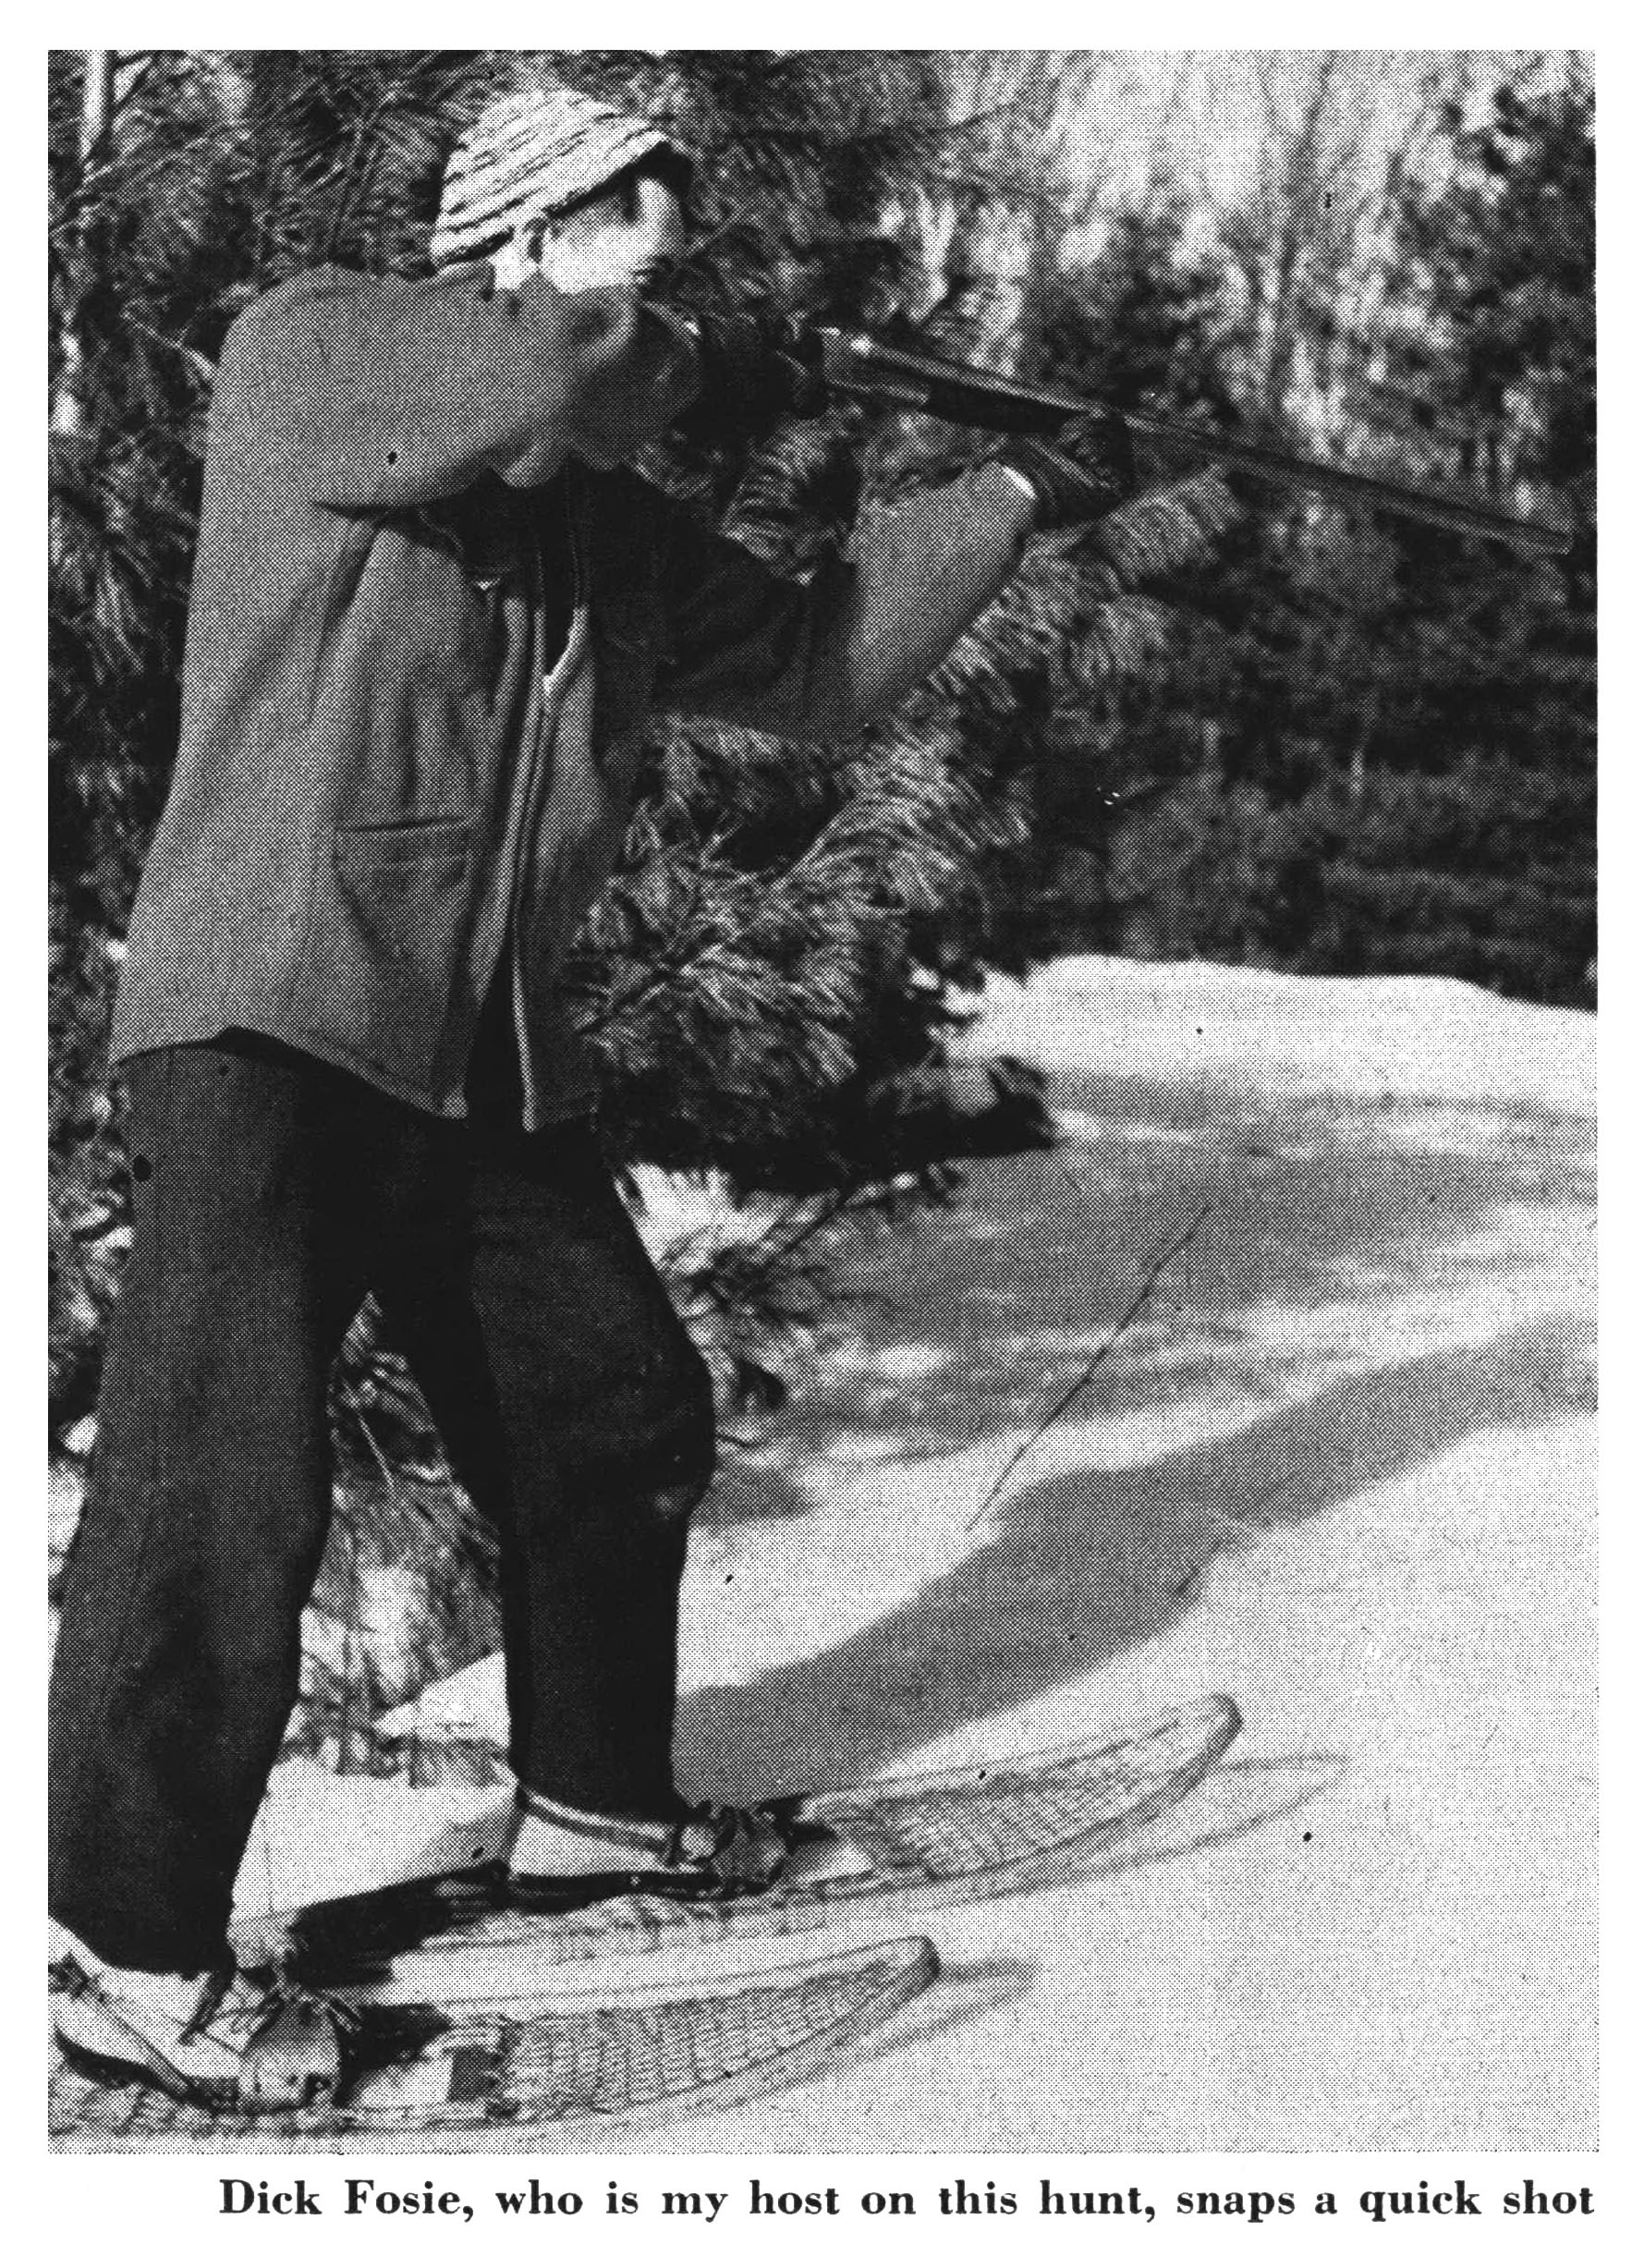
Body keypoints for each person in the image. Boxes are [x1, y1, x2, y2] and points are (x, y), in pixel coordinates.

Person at [49, 79, 1137, 2110]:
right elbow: (555, 388)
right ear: (527, 237)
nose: (673, 272)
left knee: (607, 1409)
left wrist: (1004, 505)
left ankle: (591, 1830)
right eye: (638, 227)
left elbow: (814, 664)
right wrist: (688, 346)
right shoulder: (316, 352)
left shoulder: (600, 520)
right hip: (270, 1019)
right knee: (218, 1495)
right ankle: (130, 1961)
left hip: (475, 1061)